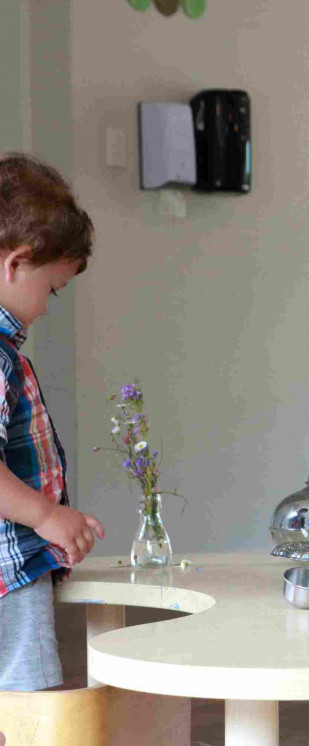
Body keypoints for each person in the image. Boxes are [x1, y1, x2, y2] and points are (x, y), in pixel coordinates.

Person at [0, 153, 105, 692]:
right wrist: (45, 516)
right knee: (24, 707)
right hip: (6, 573)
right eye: (51, 289)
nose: (44, 307)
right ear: (14, 264)